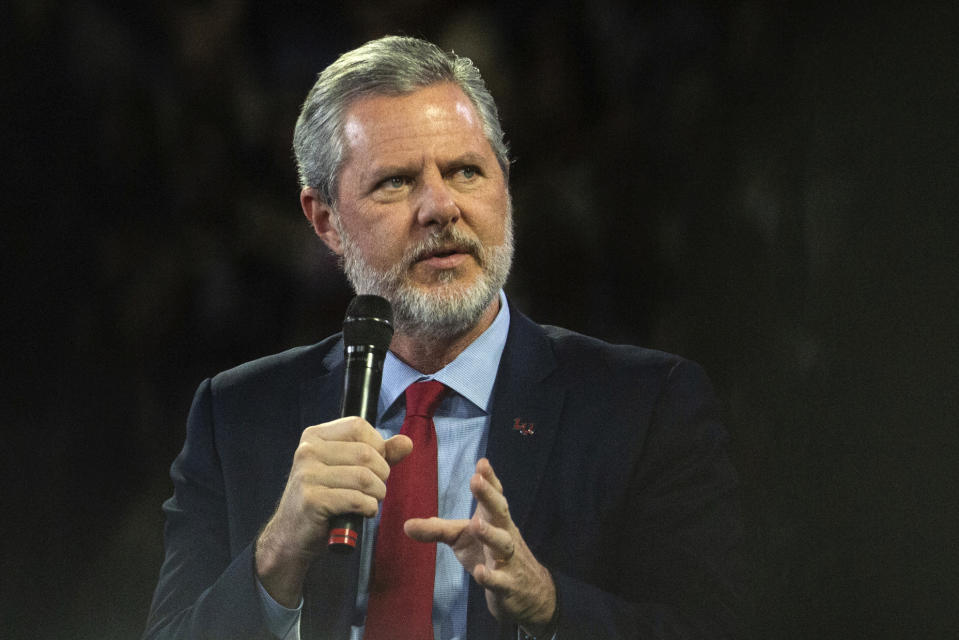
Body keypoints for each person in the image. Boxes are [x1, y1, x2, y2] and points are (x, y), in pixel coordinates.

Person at [144, 35, 746, 640]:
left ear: (505, 187)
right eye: (397, 182)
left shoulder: (645, 406)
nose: (441, 207)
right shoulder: (236, 414)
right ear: (325, 221)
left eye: (465, 171)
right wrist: (274, 557)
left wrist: (551, 605)